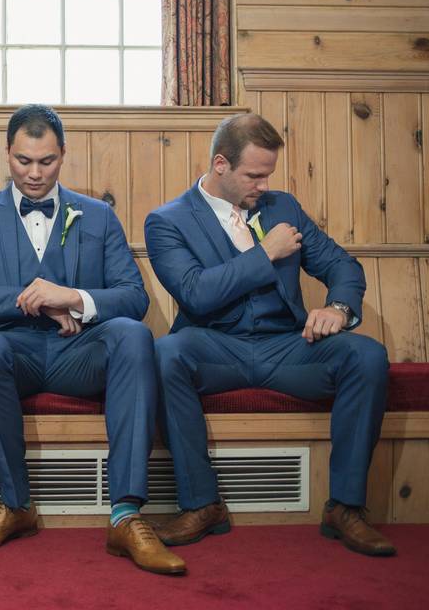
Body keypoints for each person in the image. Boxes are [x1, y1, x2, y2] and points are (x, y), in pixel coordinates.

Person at [0, 104, 185, 575]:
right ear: (6, 154)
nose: (34, 173)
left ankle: (126, 514)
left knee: (133, 336)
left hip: (78, 354)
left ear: (63, 155)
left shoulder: (97, 215)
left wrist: (72, 296)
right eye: (24, 161)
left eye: (46, 161)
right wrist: (34, 299)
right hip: (9, 352)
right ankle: (15, 505)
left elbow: (133, 296)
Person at [145, 112, 394, 557]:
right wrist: (266, 252)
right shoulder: (168, 221)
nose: (263, 186)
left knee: (367, 356)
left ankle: (345, 507)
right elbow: (196, 294)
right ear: (220, 164)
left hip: (288, 346)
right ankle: (201, 505)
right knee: (164, 354)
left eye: (268, 175)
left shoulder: (284, 207)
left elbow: (342, 266)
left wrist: (338, 308)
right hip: (214, 346)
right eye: (253, 176)